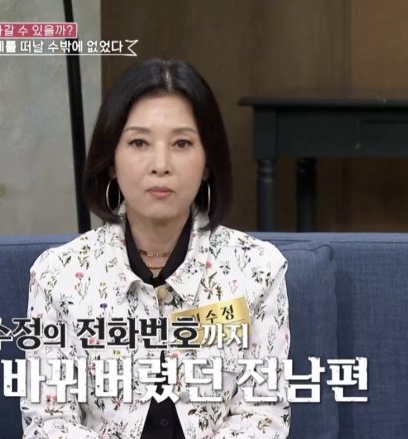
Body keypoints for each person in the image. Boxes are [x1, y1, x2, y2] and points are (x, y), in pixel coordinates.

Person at [21, 58, 290, 438]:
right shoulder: (56, 276)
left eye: (181, 143)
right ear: (111, 161)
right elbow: (48, 424)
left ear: (207, 162)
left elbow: (262, 418)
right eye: (139, 143)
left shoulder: (258, 270)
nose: (160, 165)